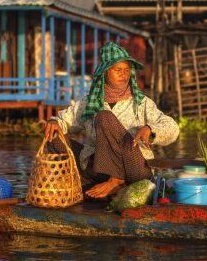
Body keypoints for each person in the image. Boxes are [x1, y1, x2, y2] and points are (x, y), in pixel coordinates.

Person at [43, 41, 180, 199]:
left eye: (127, 70)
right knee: (53, 137)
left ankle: (117, 182)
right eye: (118, 70)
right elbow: (64, 119)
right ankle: (94, 182)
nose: (124, 74)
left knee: (104, 117)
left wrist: (150, 129)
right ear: (105, 72)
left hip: (134, 168)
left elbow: (172, 127)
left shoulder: (141, 102)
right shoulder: (90, 102)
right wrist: (54, 122)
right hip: (100, 169)